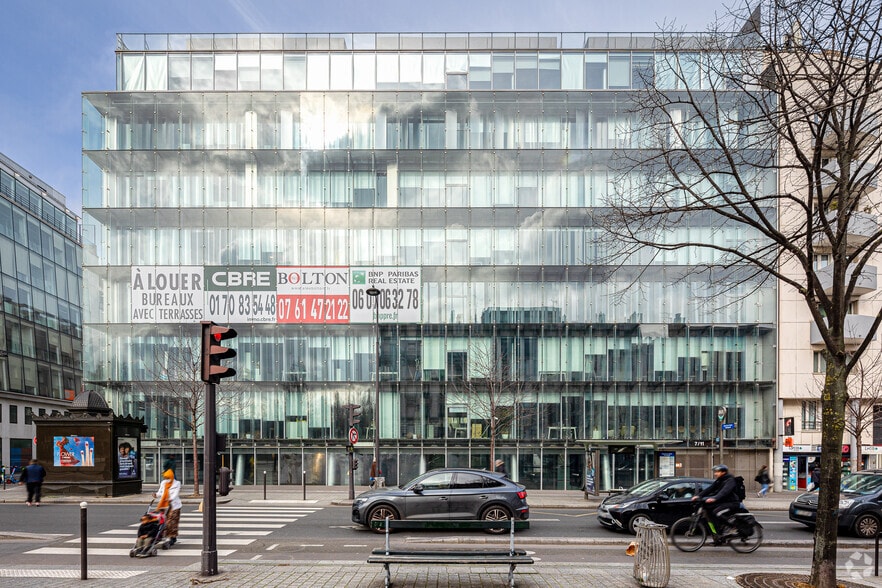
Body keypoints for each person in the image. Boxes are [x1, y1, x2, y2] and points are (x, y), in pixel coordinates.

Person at [693, 464, 742, 536]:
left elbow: (725, 491)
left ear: (723, 472)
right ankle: (718, 534)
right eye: (715, 472)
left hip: (732, 503)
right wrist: (699, 495)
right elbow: (710, 489)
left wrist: (715, 498)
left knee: (717, 512)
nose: (715, 474)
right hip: (724, 502)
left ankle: (734, 527)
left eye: (717, 472)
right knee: (710, 512)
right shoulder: (720, 480)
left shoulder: (730, 480)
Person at [153, 469, 182, 546]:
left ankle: (172, 536)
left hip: (174, 505)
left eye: (168, 478)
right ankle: (160, 536)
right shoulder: (163, 483)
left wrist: (170, 499)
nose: (167, 479)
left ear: (171, 477)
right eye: (165, 478)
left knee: (171, 521)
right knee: (161, 521)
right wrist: (156, 495)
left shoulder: (177, 483)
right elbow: (160, 492)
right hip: (164, 504)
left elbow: (176, 493)